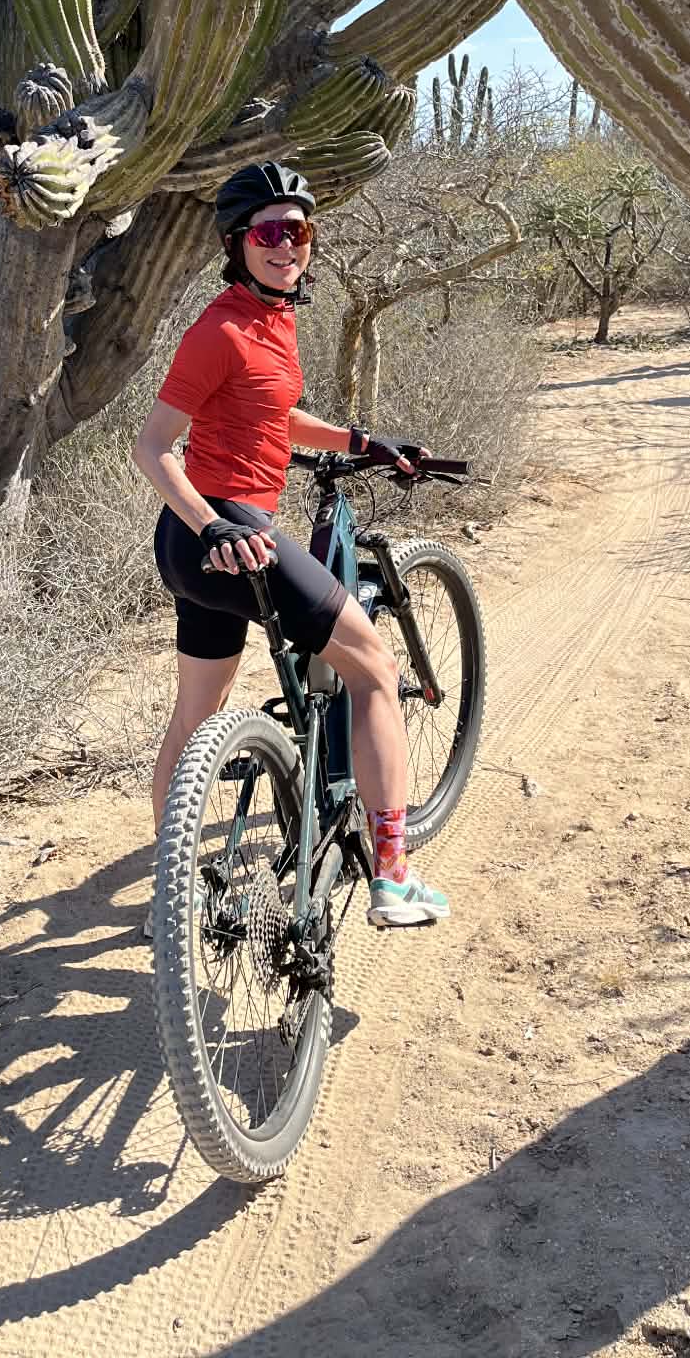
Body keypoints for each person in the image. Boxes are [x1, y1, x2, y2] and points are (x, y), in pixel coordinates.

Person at [132, 160, 451, 935]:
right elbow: (152, 448)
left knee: (192, 718)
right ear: (238, 242)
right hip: (228, 533)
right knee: (376, 670)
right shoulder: (218, 330)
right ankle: (394, 875)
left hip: (191, 550)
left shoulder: (270, 321)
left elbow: (276, 416)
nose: (288, 246)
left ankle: (169, 896)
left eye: (300, 231)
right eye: (271, 232)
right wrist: (217, 523)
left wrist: (363, 440)